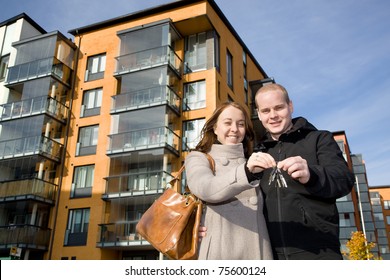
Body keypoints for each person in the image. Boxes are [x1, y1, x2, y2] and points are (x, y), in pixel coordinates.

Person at [245, 83, 355, 260]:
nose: (273, 116)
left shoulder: (319, 139)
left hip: (319, 253)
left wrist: (312, 175)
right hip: (271, 255)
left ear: (290, 106)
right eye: (265, 111)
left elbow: (344, 180)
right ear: (259, 114)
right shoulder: (258, 153)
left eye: (279, 107)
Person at [185, 101, 273, 260]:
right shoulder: (198, 157)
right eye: (227, 123)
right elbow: (206, 189)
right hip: (220, 251)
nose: (234, 129)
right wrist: (246, 172)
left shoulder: (254, 162)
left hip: (259, 250)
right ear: (215, 128)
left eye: (240, 124)